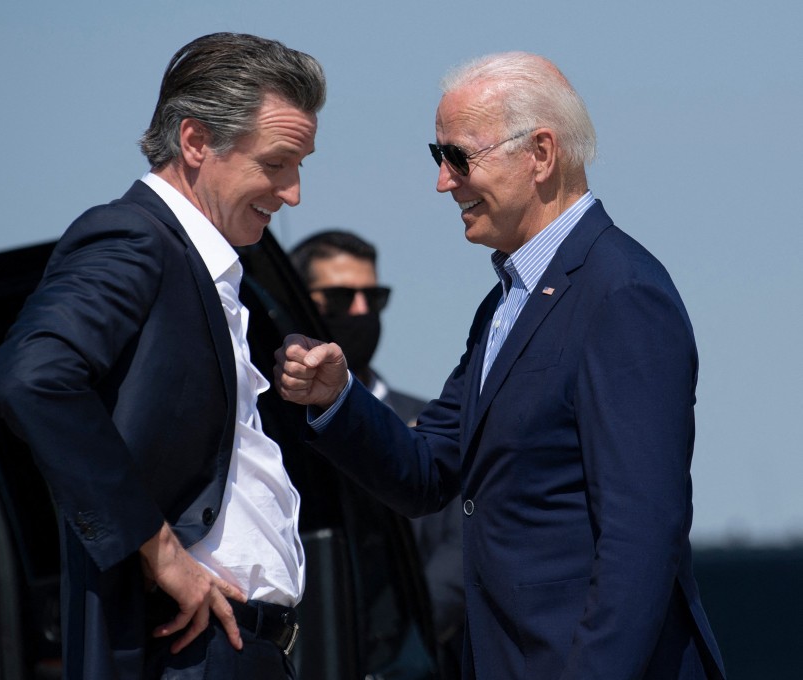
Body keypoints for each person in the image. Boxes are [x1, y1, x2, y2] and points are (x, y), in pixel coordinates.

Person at [274, 52, 726, 679]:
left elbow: (642, 538)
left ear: (540, 154)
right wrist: (338, 399)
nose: (443, 181)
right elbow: (428, 470)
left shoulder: (622, 295)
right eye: (438, 157)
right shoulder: (507, 302)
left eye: (458, 156)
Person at [0, 32, 324, 679]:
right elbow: (31, 374)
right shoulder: (136, 237)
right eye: (278, 163)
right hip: (186, 654)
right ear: (196, 142)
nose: (294, 192)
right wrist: (159, 547)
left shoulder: (204, 266)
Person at [290, 230, 466, 678]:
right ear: (301, 302)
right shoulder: (272, 427)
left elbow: (462, 539)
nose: (362, 311)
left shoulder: (431, 422)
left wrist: (404, 628)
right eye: (341, 296)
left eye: (374, 296)